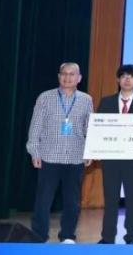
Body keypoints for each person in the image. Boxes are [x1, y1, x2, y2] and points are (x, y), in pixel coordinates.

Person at [26, 62, 94, 243]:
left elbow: (89, 128)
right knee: (43, 200)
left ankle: (68, 236)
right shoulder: (45, 97)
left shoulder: (86, 99)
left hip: (75, 157)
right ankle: (39, 235)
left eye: (72, 74)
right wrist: (34, 152)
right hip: (49, 157)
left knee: (72, 201)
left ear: (79, 78)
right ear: (59, 76)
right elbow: (36, 126)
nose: (67, 77)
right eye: (64, 73)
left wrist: (90, 151)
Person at [95, 63, 133, 244]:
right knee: (110, 199)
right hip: (111, 159)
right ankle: (107, 236)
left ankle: (131, 235)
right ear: (118, 79)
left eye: (132, 76)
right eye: (124, 76)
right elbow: (99, 129)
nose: (127, 79)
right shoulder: (106, 102)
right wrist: (96, 149)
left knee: (132, 198)